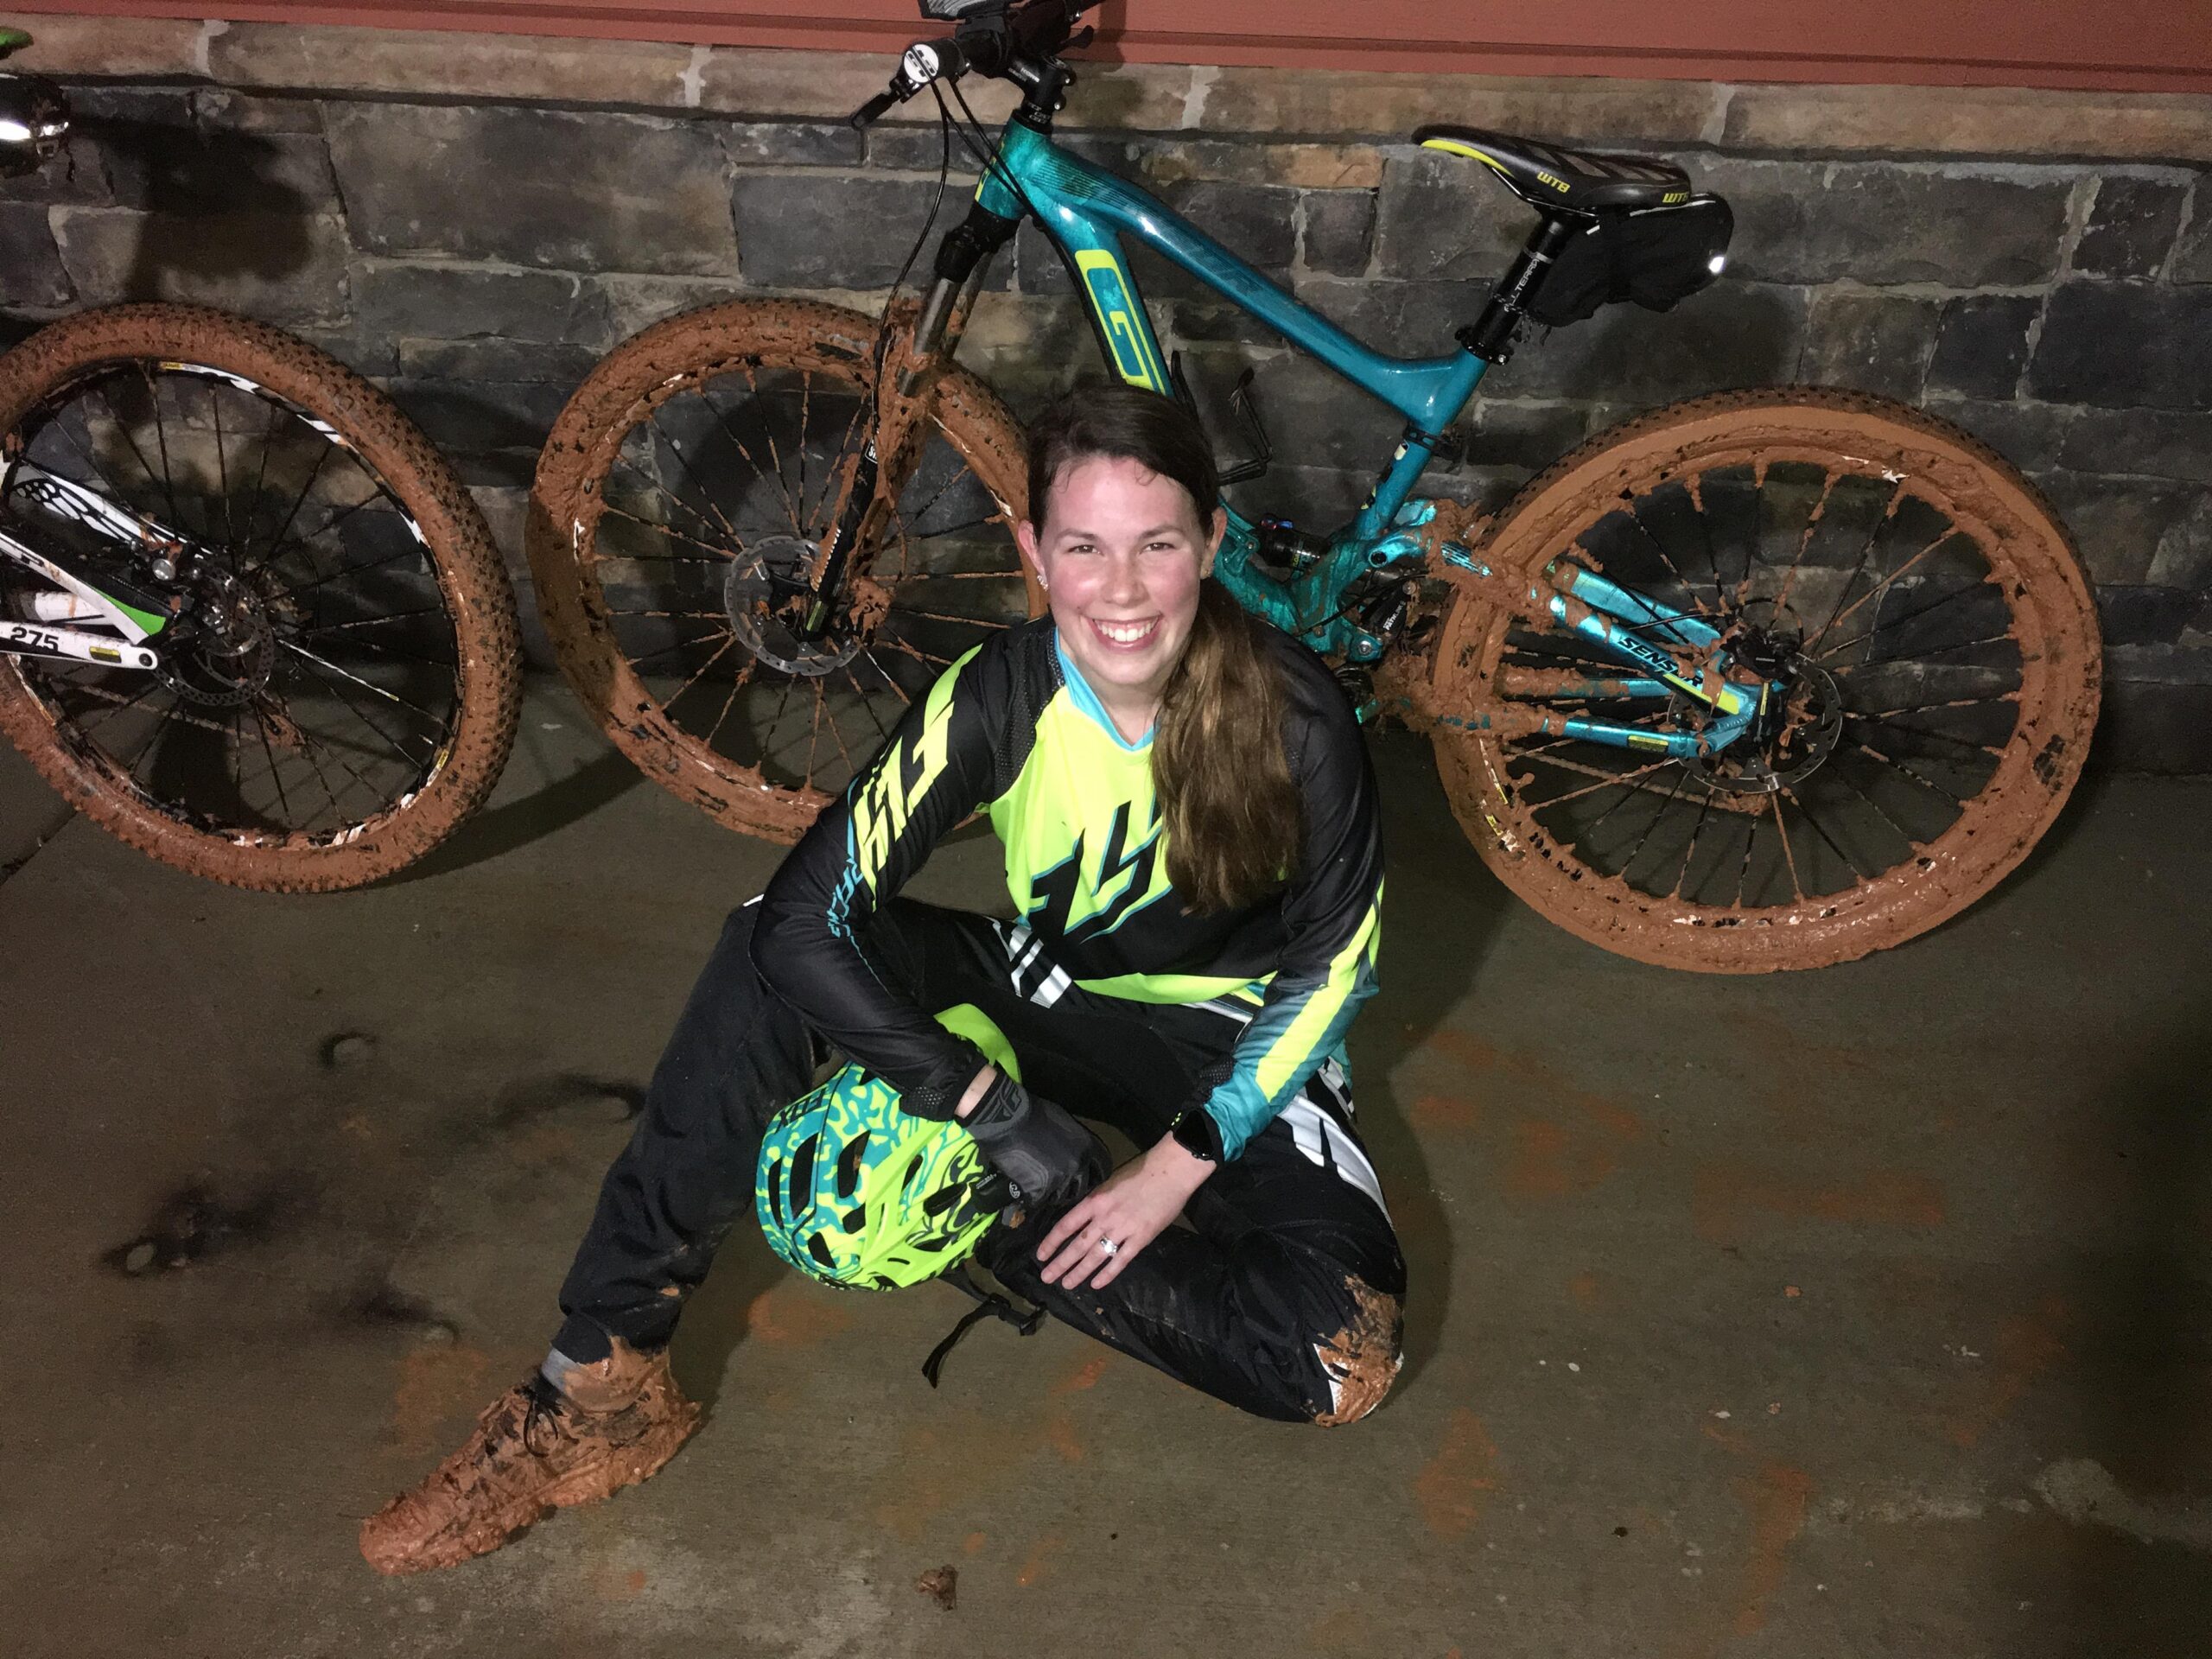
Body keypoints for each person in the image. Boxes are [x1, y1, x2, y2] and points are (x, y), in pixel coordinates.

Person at [359, 384, 1405, 1575]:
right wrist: (985, 1105)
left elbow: (1336, 965)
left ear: (1210, 546)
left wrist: (1177, 1166)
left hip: (1234, 1039)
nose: (1122, 592)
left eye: (1158, 546)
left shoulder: (1300, 715)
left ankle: (998, 1224)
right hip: (1046, 992)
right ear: (1033, 550)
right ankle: (600, 1377)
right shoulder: (998, 697)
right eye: (1084, 547)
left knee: (1333, 1362)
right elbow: (806, 923)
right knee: (765, 941)